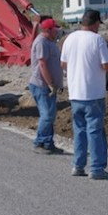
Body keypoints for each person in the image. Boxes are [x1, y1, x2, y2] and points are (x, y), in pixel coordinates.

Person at [60, 9, 108, 179]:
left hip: (75, 93)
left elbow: (63, 64)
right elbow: (107, 65)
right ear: (96, 23)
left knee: (80, 130)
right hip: (93, 93)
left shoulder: (70, 38)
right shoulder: (97, 40)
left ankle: (78, 165)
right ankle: (97, 168)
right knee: (95, 131)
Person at [29, 17, 64, 154]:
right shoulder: (41, 42)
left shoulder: (50, 42)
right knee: (47, 115)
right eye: (56, 28)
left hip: (50, 85)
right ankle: (39, 142)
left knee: (51, 114)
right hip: (41, 85)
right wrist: (50, 84)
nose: (58, 31)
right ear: (48, 30)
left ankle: (48, 143)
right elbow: (42, 64)